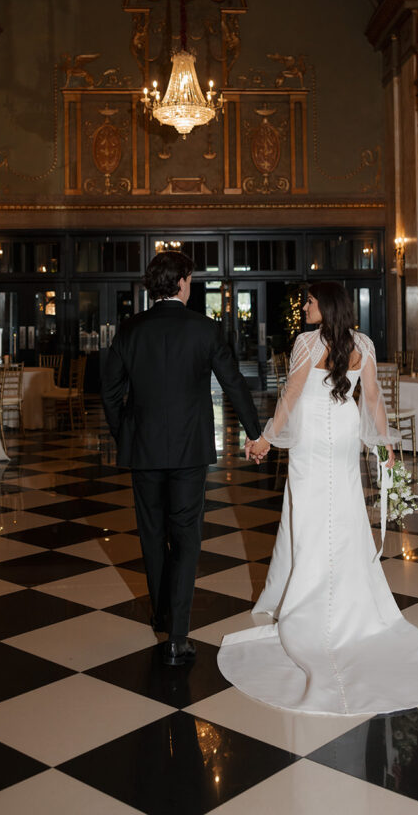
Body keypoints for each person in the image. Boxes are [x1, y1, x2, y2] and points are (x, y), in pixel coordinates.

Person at [220, 281, 418, 714]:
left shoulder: (307, 343)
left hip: (311, 438)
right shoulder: (364, 343)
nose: (305, 306)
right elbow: (372, 397)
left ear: (328, 306)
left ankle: (307, 602)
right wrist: (385, 442)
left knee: (310, 513)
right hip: (342, 432)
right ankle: (349, 602)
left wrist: (265, 438)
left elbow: (292, 394)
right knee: (344, 509)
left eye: (310, 301)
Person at [101, 250, 262, 666]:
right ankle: (178, 636)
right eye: (191, 279)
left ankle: (160, 613)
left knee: (152, 533)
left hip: (144, 451)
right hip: (190, 450)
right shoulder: (204, 329)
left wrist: (126, 434)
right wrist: (255, 432)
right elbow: (234, 383)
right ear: (182, 282)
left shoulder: (130, 329)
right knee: (187, 536)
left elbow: (109, 392)